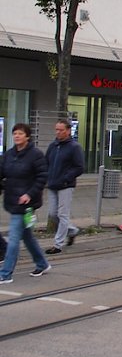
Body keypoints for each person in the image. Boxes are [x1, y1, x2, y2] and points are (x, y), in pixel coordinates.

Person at [0, 123, 51, 283]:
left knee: (14, 238)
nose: (17, 136)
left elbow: (42, 177)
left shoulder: (35, 155)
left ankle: (5, 273)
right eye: (15, 133)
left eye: (20, 133)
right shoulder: (8, 155)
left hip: (26, 204)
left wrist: (29, 194)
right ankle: (42, 263)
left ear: (27, 136)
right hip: (12, 200)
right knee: (27, 236)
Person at [43, 118, 84, 255]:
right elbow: (46, 162)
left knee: (62, 214)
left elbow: (79, 167)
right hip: (52, 184)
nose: (58, 132)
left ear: (68, 131)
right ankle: (72, 231)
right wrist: (46, 177)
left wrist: (66, 178)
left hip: (66, 185)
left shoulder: (74, 147)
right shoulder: (53, 146)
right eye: (56, 129)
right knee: (53, 214)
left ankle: (58, 244)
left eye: (61, 130)